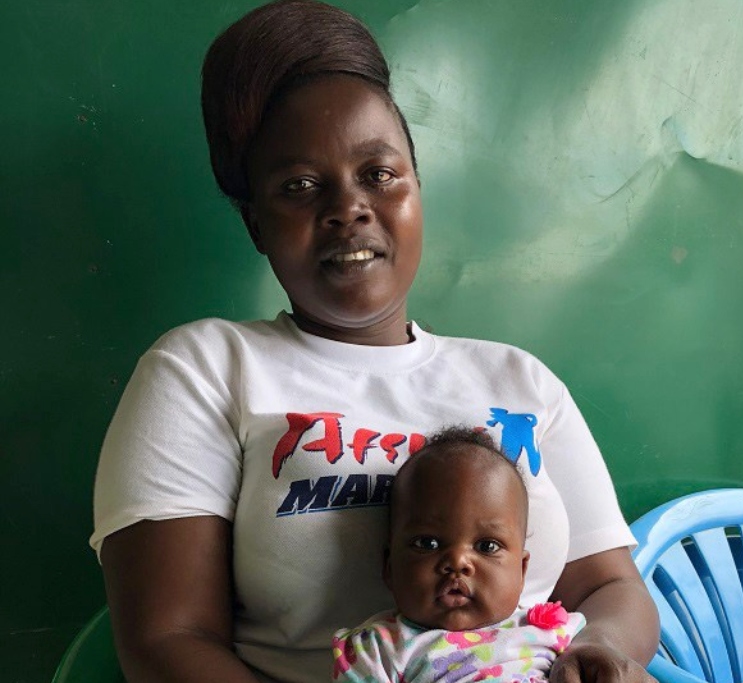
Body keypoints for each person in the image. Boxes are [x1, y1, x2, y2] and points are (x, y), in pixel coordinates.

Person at [90, 2, 659, 682]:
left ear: (416, 189)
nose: (348, 208)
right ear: (255, 227)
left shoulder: (519, 381)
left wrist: (599, 651)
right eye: (299, 187)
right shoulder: (204, 369)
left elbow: (611, 589)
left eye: (379, 174)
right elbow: (167, 639)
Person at [332, 427, 586, 683]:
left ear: (521, 571)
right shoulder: (379, 649)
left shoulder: (548, 631)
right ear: (389, 567)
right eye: (428, 543)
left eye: (487, 546)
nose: (458, 561)